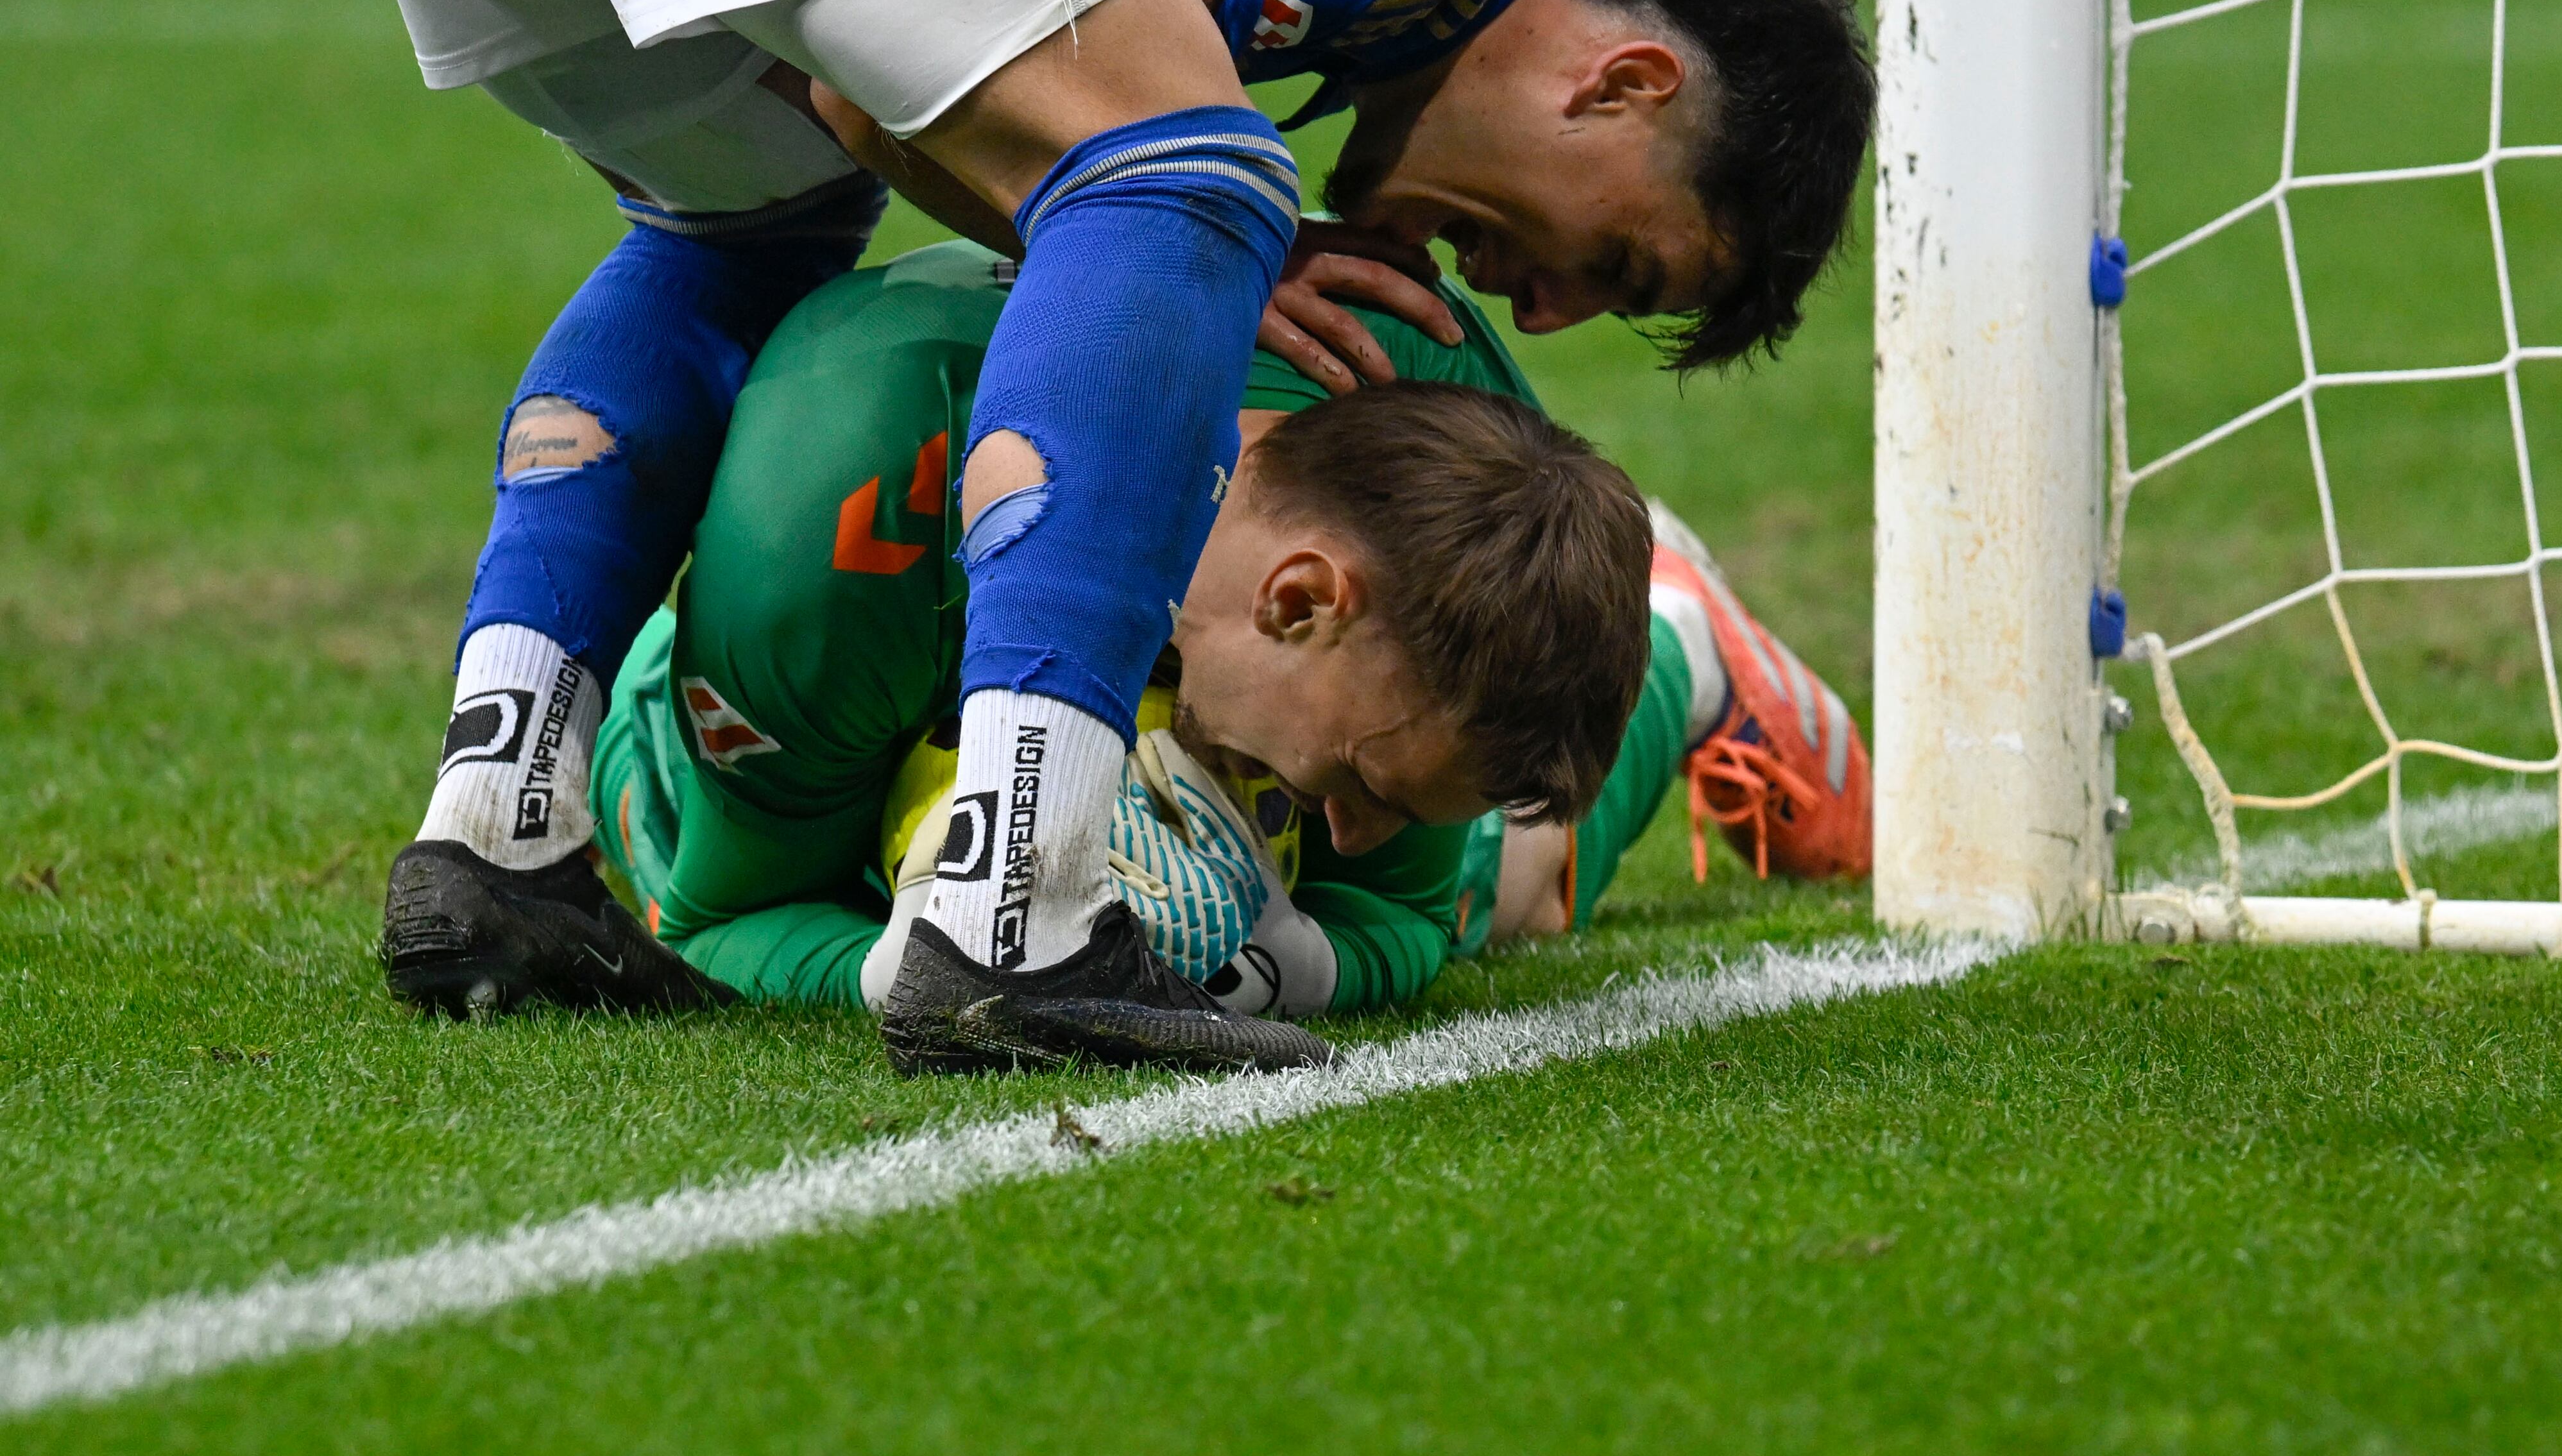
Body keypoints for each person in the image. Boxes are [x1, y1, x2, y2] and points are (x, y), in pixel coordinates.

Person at [244, 0, 1877, 1067]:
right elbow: (1018, 119)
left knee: (737, 219)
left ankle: (497, 831)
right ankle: (1016, 900)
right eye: (1618, 262)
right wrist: (1209, 247)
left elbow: (860, 116)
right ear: (1623, 87)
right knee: (1192, 175)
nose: (1538, 317)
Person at [579, 243, 1871, 1044]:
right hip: (826, 709)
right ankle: (1685, 640)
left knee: (1499, 892)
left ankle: (1682, 655)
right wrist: (903, 954)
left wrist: (1280, 958)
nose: (1355, 833)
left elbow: (1405, 911)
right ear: (1301, 599)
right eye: (1363, 789)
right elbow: (726, 914)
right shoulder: (840, 508)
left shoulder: (1427, 419)